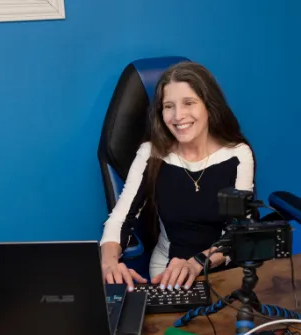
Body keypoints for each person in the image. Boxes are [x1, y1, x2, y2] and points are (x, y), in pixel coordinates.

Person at [100, 62, 255, 291]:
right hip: (167, 271)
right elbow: (120, 219)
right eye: (168, 106)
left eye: (189, 103)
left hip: (222, 269)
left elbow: (239, 232)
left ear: (208, 106)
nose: (178, 116)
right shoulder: (151, 154)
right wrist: (109, 262)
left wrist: (196, 264)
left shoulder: (238, 154)